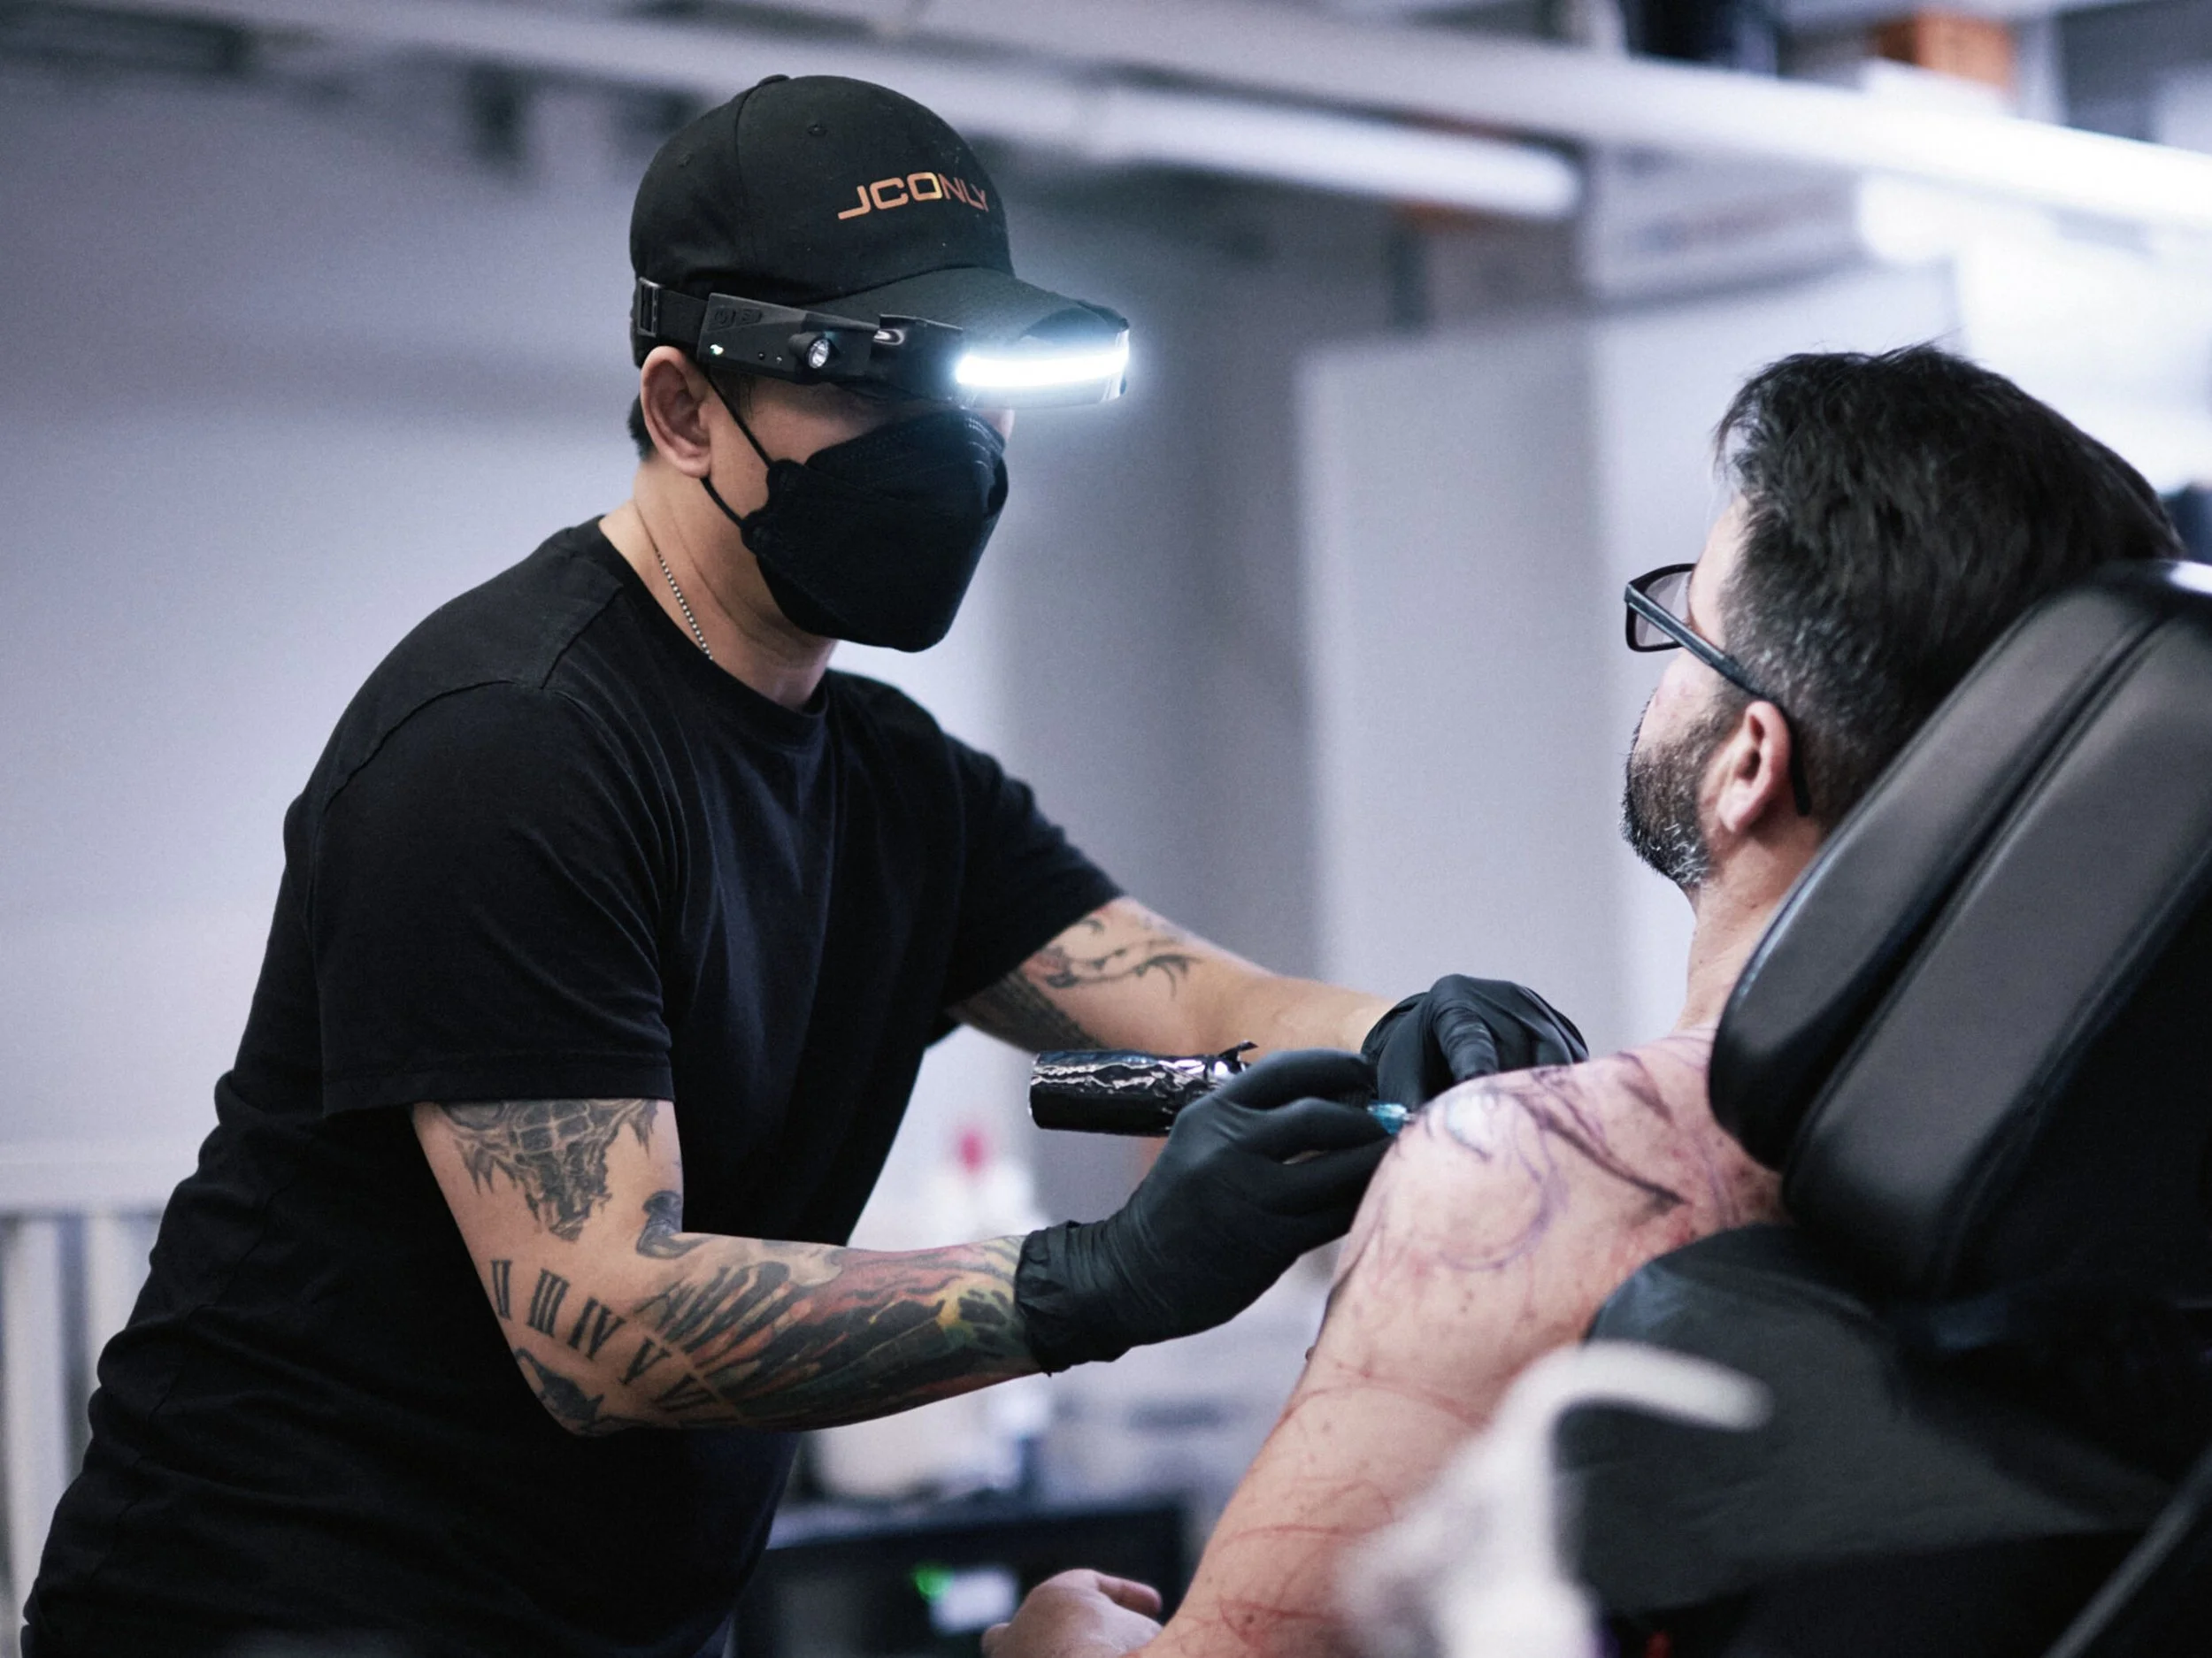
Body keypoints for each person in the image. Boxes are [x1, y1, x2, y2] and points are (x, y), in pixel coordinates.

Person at [22, 76, 1579, 1658]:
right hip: (274, 1611)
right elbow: (601, 1323)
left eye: (981, 392)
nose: (955, 451)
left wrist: (1424, 1034)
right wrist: (1091, 1279)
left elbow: (1195, 999)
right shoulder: (511, 746)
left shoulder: (893, 781)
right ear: (686, 408)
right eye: (881, 390)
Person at [979, 345, 2187, 1658]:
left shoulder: (1522, 1173)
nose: (1661, 665)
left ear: (1748, 760)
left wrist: (1056, 1646)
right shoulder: (2152, 1189)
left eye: (1682, 628)